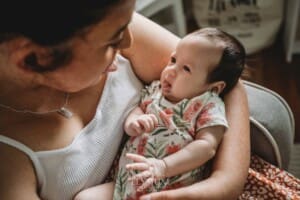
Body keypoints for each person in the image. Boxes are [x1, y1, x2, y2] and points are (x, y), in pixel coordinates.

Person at [0, 1, 251, 200]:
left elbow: (228, 84)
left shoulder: (103, 13)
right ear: (36, 59)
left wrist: (222, 185)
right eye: (113, 40)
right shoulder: (9, 166)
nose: (129, 41)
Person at [109, 27, 245, 199]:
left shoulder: (207, 105)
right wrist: (134, 121)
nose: (171, 70)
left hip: (170, 189)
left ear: (214, 88)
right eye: (173, 60)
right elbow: (139, 108)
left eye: (186, 69)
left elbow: (207, 147)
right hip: (125, 184)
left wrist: (164, 166)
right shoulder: (155, 89)